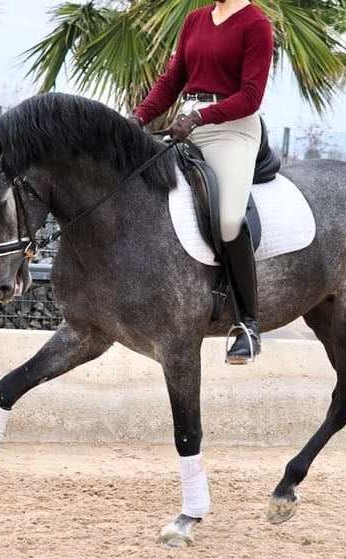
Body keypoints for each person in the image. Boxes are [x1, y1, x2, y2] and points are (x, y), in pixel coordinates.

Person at [130, 0, 274, 364]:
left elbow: (251, 96)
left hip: (231, 131)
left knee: (228, 220)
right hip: (187, 124)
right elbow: (172, 80)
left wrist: (200, 116)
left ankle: (247, 326)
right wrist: (138, 118)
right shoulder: (195, 19)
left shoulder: (256, 24)